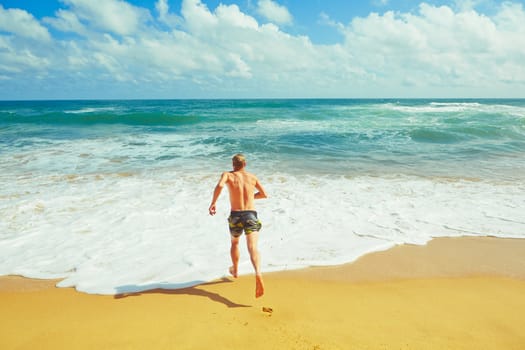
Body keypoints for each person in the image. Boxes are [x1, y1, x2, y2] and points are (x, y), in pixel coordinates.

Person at [209, 154, 268, 298]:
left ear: (233, 164)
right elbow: (264, 194)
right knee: (252, 247)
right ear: (245, 164)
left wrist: (213, 203)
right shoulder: (252, 177)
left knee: (235, 242)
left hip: (235, 215)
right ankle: (258, 273)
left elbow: (220, 185)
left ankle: (235, 270)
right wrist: (250, 197)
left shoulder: (227, 175)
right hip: (250, 214)